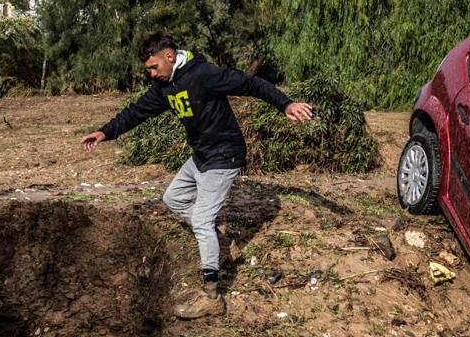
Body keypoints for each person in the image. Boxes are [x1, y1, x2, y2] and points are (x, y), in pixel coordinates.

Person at [80, 33, 314, 319]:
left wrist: (285, 104)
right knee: (173, 198)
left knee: (202, 220)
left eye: (154, 67)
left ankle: (212, 295)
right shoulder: (163, 85)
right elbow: (137, 111)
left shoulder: (204, 74)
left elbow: (250, 83)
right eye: (149, 70)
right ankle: (215, 241)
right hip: (202, 154)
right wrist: (106, 131)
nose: (152, 74)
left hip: (225, 154)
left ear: (169, 56)